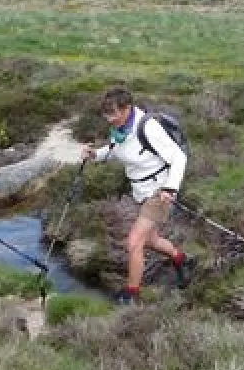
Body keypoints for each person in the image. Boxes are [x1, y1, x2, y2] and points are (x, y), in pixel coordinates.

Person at [81, 87, 191, 305]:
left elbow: (178, 158)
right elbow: (115, 149)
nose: (109, 119)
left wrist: (170, 188)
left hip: (158, 193)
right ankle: (179, 258)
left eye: (113, 113)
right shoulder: (120, 129)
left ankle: (131, 294)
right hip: (140, 192)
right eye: (106, 114)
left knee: (134, 242)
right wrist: (96, 154)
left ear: (127, 108)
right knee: (150, 240)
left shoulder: (148, 127)